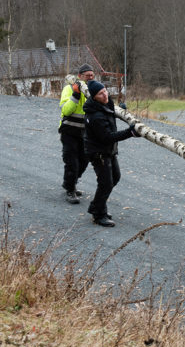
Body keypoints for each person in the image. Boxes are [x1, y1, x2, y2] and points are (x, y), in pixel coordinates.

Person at [83, 80, 138, 227]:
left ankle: (97, 206)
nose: (105, 95)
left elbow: (111, 112)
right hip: (98, 152)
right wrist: (130, 132)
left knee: (115, 177)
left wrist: (122, 110)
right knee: (106, 183)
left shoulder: (105, 104)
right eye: (101, 94)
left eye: (105, 91)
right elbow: (107, 137)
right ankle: (98, 214)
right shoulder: (94, 116)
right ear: (94, 97)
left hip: (108, 151)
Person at [58, 64, 95, 204]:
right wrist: (75, 95)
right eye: (87, 75)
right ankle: (70, 190)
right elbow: (66, 110)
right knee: (71, 161)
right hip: (69, 131)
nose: (90, 78)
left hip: (85, 132)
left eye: (92, 75)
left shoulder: (92, 91)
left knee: (84, 161)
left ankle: (69, 183)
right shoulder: (68, 89)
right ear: (80, 76)